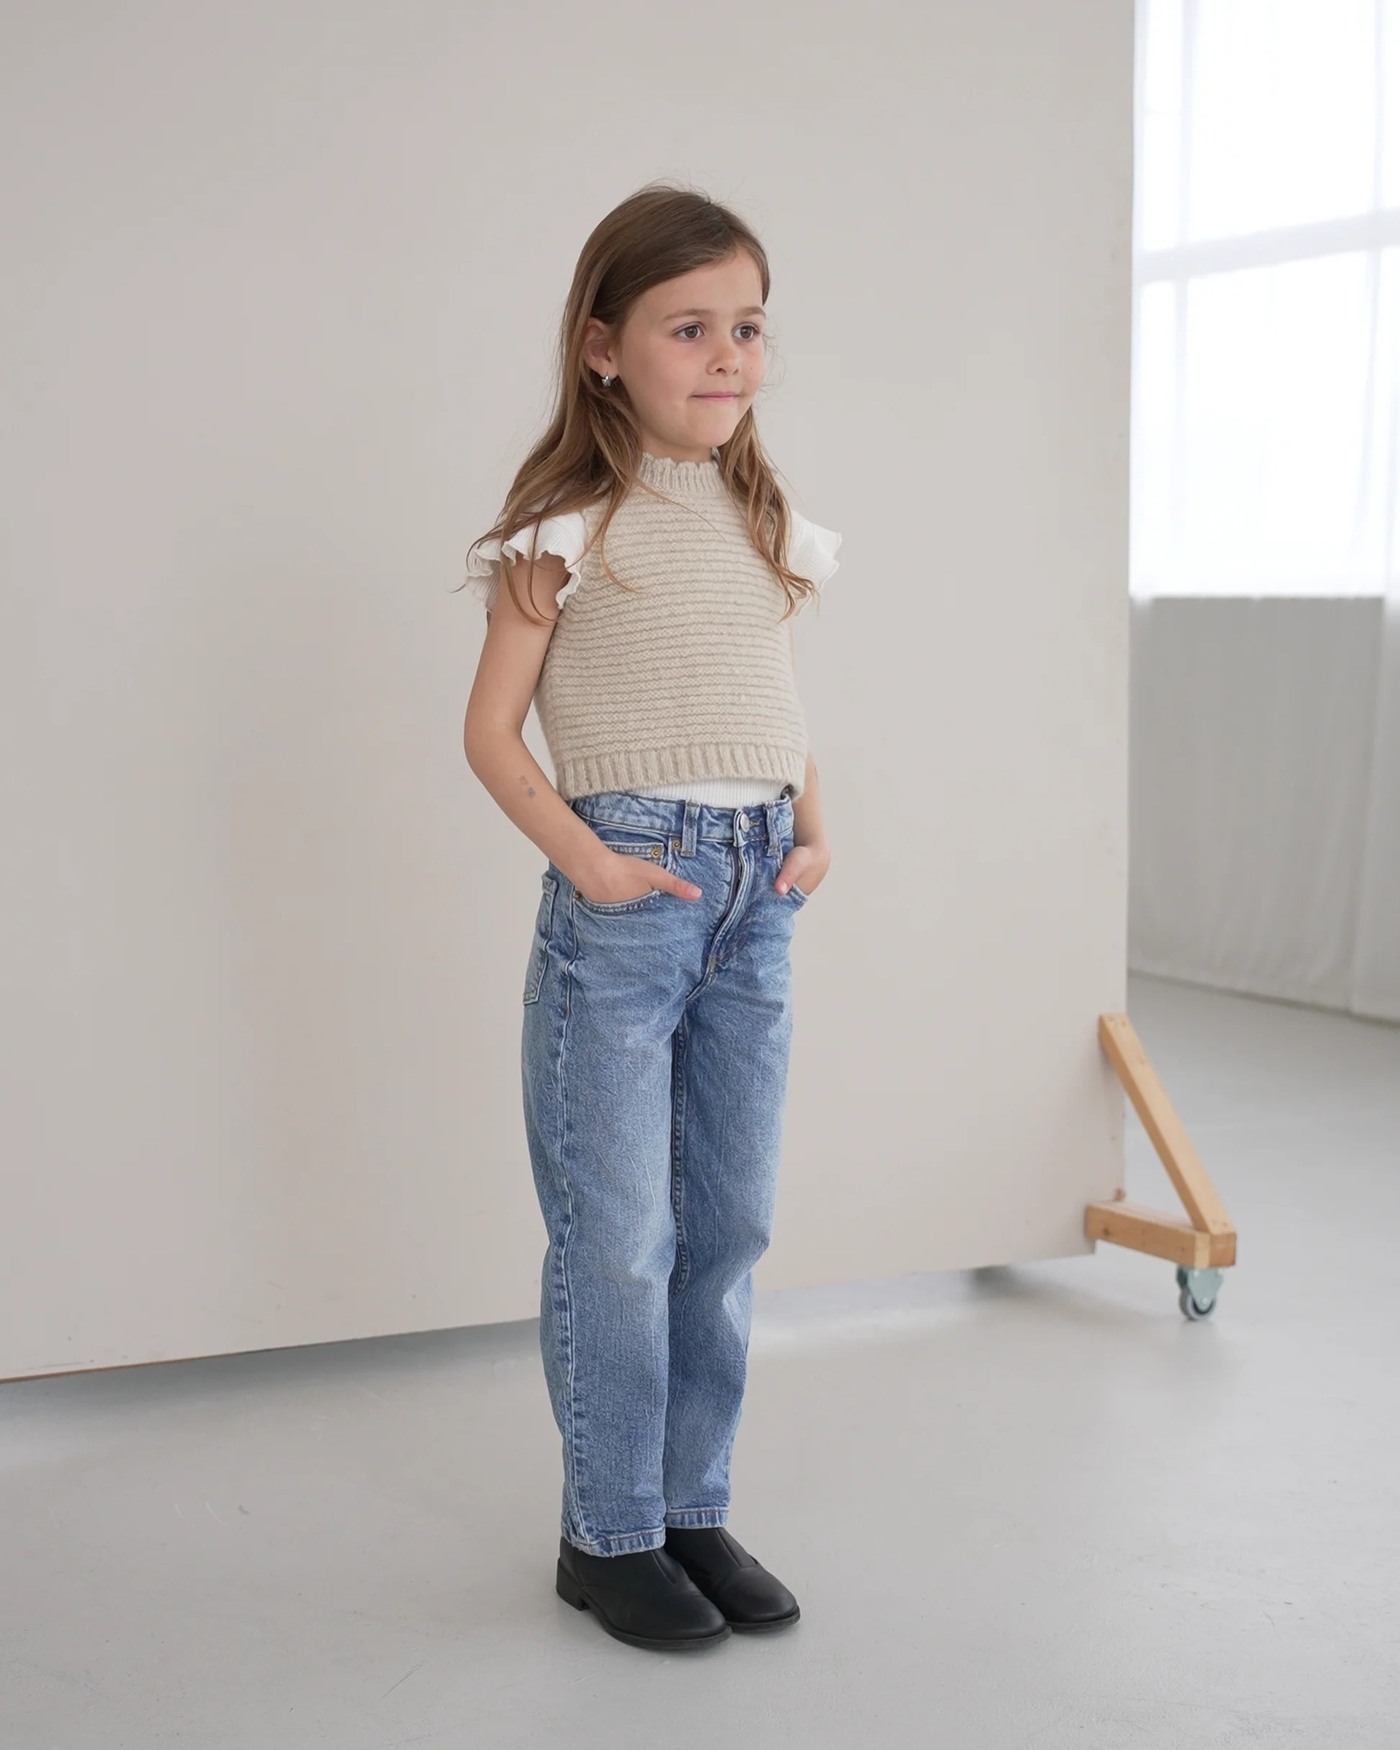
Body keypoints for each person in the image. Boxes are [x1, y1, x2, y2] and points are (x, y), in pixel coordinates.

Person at [457, 183, 841, 1653]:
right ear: (604, 347)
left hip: (755, 897)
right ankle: (607, 1531)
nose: (730, 355)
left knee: (728, 1221)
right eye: (691, 328)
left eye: (748, 326)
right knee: (620, 1234)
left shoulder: (766, 519)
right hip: (627, 896)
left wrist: (811, 824)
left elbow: (770, 698)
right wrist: (591, 863)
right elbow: (491, 732)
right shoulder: (565, 530)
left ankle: (690, 1506)